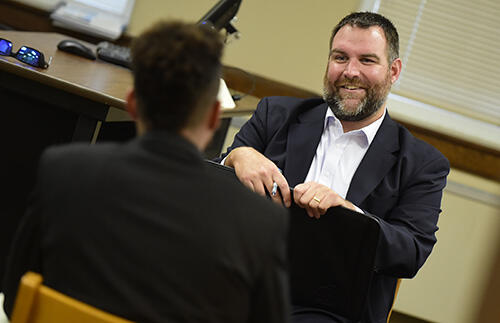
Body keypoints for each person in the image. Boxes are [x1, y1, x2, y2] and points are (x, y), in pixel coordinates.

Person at [2, 21, 290, 323]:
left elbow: (15, 299)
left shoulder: (61, 170)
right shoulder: (260, 224)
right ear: (214, 117)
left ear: (133, 105)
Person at [217, 12, 450, 323]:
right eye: (340, 57)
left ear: (394, 71)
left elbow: (411, 252)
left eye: (367, 60)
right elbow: (211, 192)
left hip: (332, 310)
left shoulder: (422, 163)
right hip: (243, 280)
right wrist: (236, 157)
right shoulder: (275, 115)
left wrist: (349, 215)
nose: (350, 72)